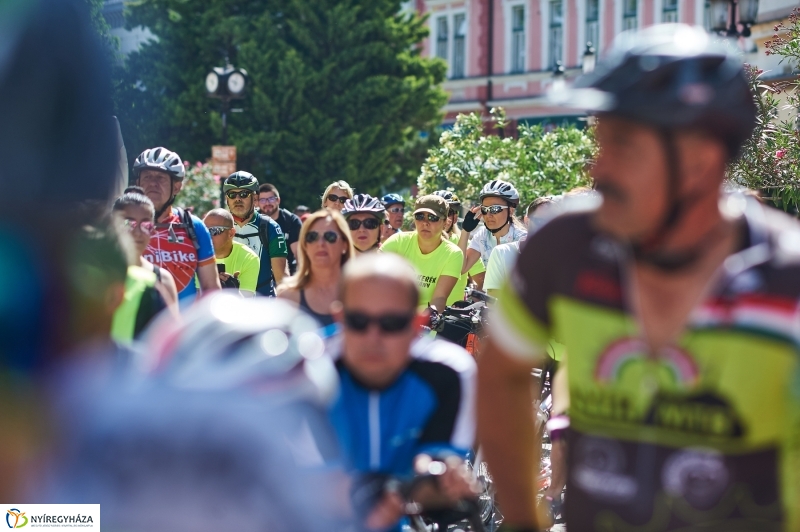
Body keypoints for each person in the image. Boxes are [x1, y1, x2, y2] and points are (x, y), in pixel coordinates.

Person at [476, 25, 800, 532]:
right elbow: (501, 377)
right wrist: (523, 518)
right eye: (599, 141)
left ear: (699, 160)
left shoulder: (787, 281)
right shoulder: (563, 249)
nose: (597, 168)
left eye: (622, 146)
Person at [328, 253, 478, 531]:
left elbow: (435, 457)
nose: (373, 337)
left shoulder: (449, 373)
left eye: (391, 324)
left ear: (416, 325)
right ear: (339, 317)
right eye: (358, 321)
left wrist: (439, 477)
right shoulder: (302, 371)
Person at [134, 147, 220, 301]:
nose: (153, 183)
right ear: (137, 182)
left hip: (183, 324)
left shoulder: (194, 227)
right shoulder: (124, 226)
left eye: (160, 177)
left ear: (177, 187)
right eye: (147, 177)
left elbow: (211, 289)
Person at [110, 187, 180, 342]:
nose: (137, 232)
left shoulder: (162, 279)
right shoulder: (97, 275)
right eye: (128, 223)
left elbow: (170, 343)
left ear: (153, 229)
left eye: (146, 225)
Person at [381, 195, 462, 312]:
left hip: (425, 324)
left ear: (445, 222)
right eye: (420, 216)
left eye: (432, 217)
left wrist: (427, 319)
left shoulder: (453, 253)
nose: (425, 222)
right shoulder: (398, 240)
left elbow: (439, 298)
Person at [278, 210, 355, 331]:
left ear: (344, 245)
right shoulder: (288, 297)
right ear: (305, 246)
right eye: (312, 237)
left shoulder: (361, 294)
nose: (320, 243)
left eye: (330, 236)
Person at [223, 171, 288, 296]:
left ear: (255, 199)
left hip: (262, 305)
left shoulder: (270, 227)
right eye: (232, 194)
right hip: (227, 304)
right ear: (227, 199)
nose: (237, 199)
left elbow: (281, 278)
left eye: (244, 194)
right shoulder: (218, 226)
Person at [483, 196, 554, 297]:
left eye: (550, 222)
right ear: (527, 220)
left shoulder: (563, 260)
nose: (545, 227)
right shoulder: (502, 253)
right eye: (539, 221)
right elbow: (492, 299)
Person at [458, 180, 527, 274]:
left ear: (510, 211)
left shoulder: (523, 239)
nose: (488, 214)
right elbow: (461, 269)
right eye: (484, 209)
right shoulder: (482, 235)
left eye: (495, 209)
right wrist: (465, 230)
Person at [433, 190, 486, 303]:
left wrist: (471, 305)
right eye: (438, 212)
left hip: (450, 318)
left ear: (456, 217)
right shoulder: (412, 242)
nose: (444, 217)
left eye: (449, 212)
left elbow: (483, 281)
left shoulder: (464, 243)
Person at [203, 209, 261, 297]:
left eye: (214, 231)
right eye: (204, 231)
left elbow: (246, 306)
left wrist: (235, 292)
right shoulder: (195, 256)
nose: (208, 236)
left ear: (231, 233)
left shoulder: (249, 258)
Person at [258, 183, 303, 275]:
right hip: (259, 271)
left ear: (278, 200)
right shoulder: (253, 221)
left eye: (271, 199)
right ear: (257, 203)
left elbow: (298, 254)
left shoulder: (292, 221)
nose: (267, 203)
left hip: (288, 271)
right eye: (262, 200)